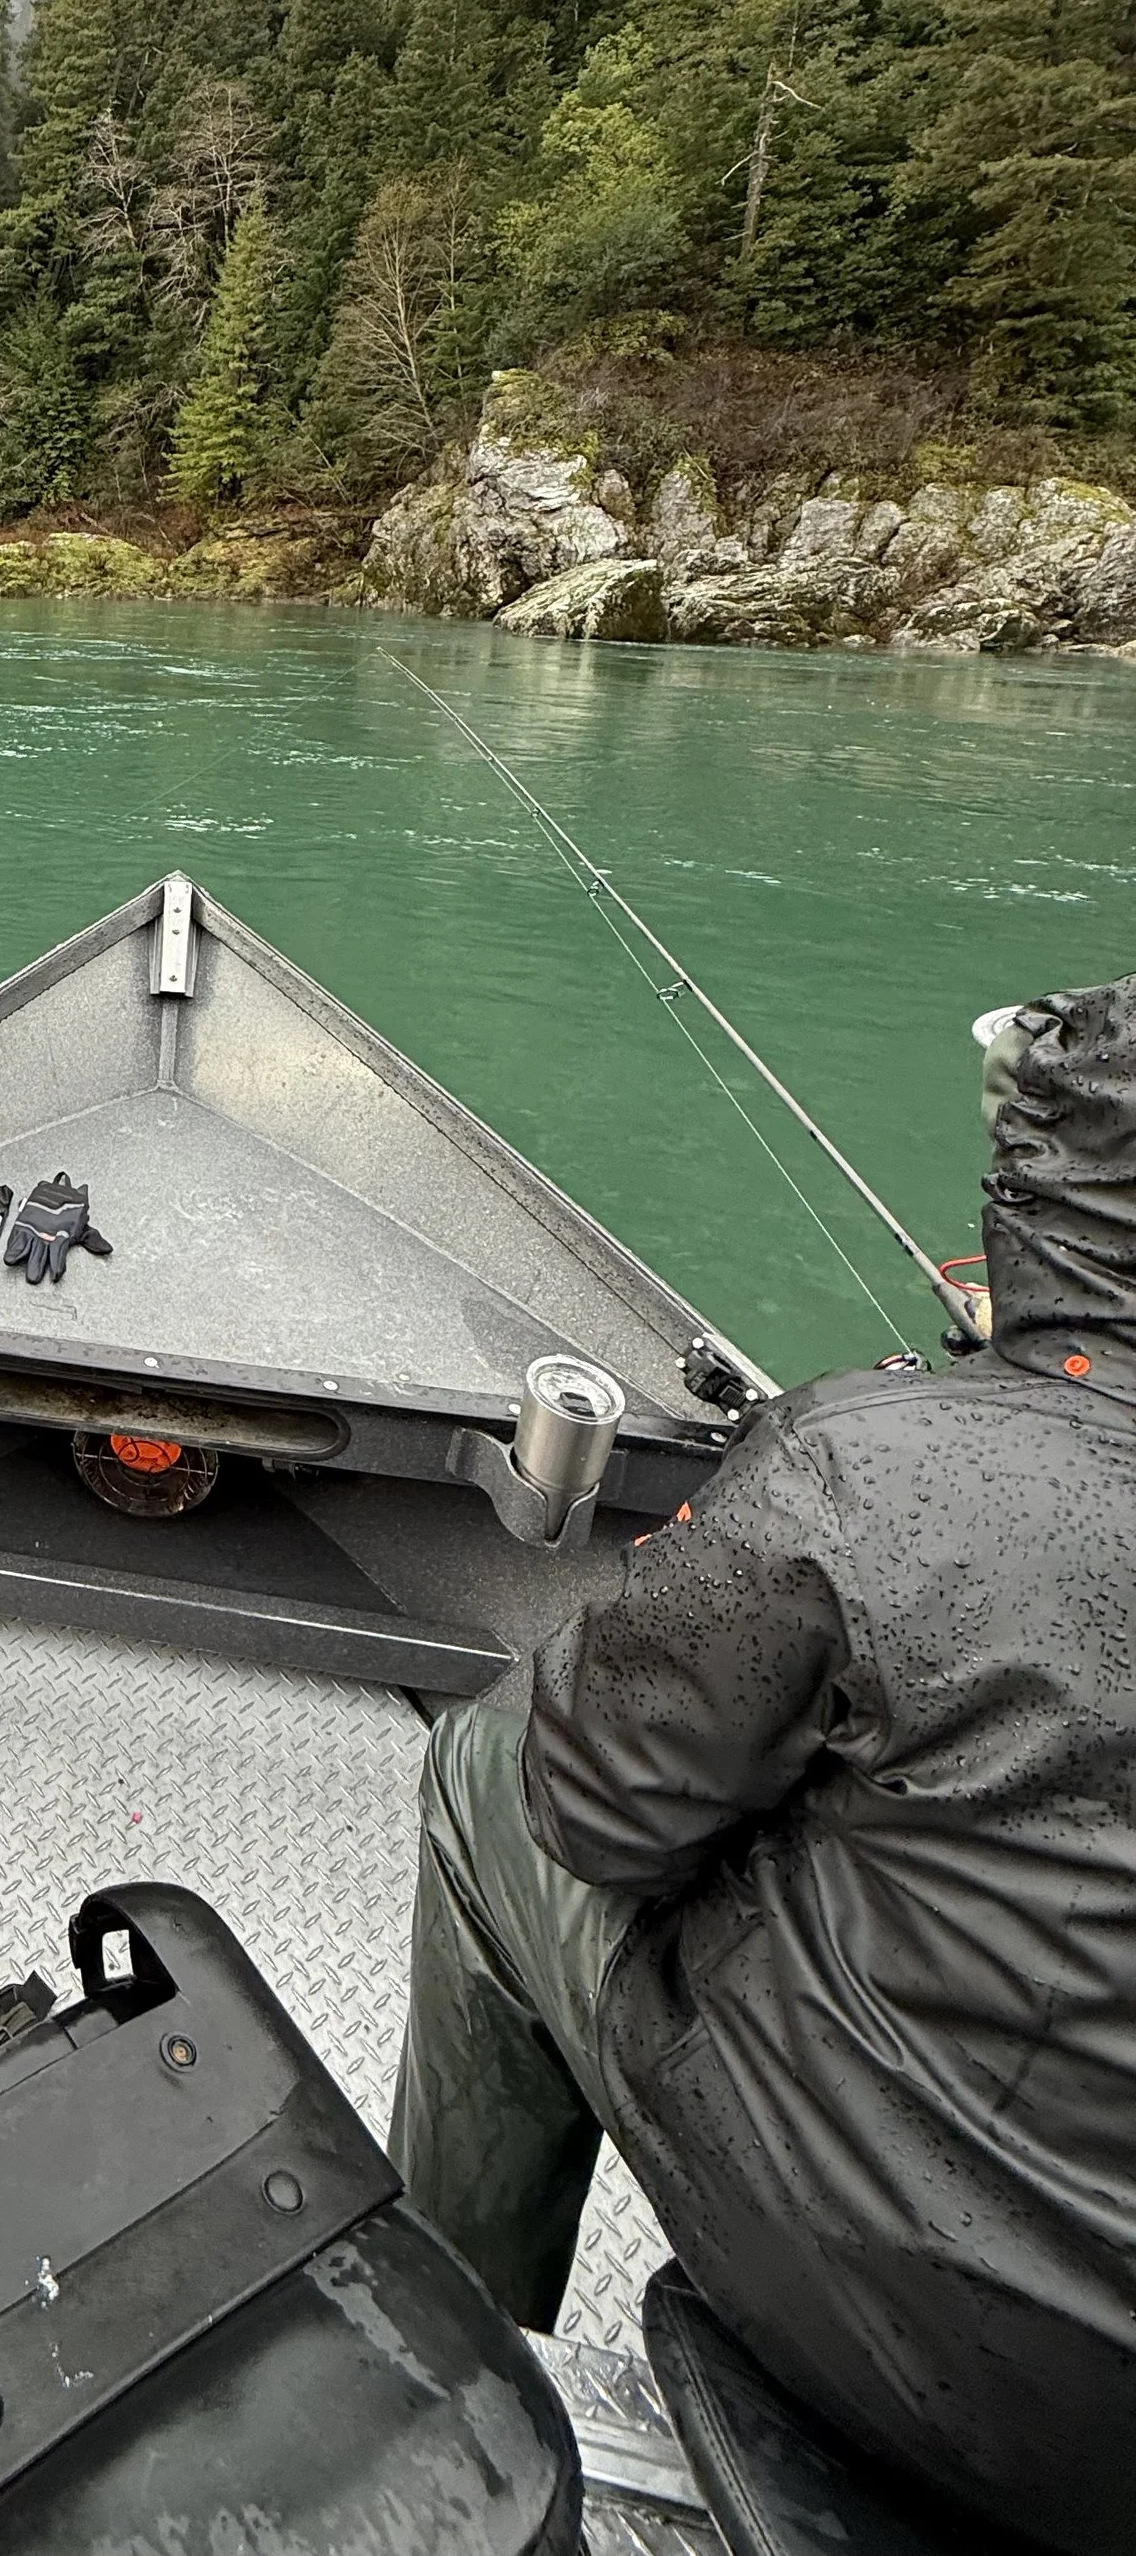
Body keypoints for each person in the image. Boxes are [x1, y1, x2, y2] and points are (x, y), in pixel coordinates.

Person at [387, 979, 1136, 2555]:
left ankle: (431, 2368)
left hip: (966, 2377)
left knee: (485, 1770)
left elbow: (588, 1807)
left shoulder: (873, 1468)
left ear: (1029, 1222)